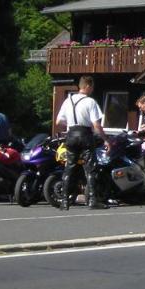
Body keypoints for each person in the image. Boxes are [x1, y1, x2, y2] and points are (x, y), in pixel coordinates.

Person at [55, 76, 106, 210]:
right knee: (90, 168)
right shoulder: (90, 102)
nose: (93, 89)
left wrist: (72, 124)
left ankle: (64, 201)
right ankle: (92, 200)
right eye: (92, 87)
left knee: (69, 168)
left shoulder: (68, 100)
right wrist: (106, 139)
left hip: (71, 135)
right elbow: (96, 124)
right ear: (88, 86)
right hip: (85, 135)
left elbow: (58, 121)